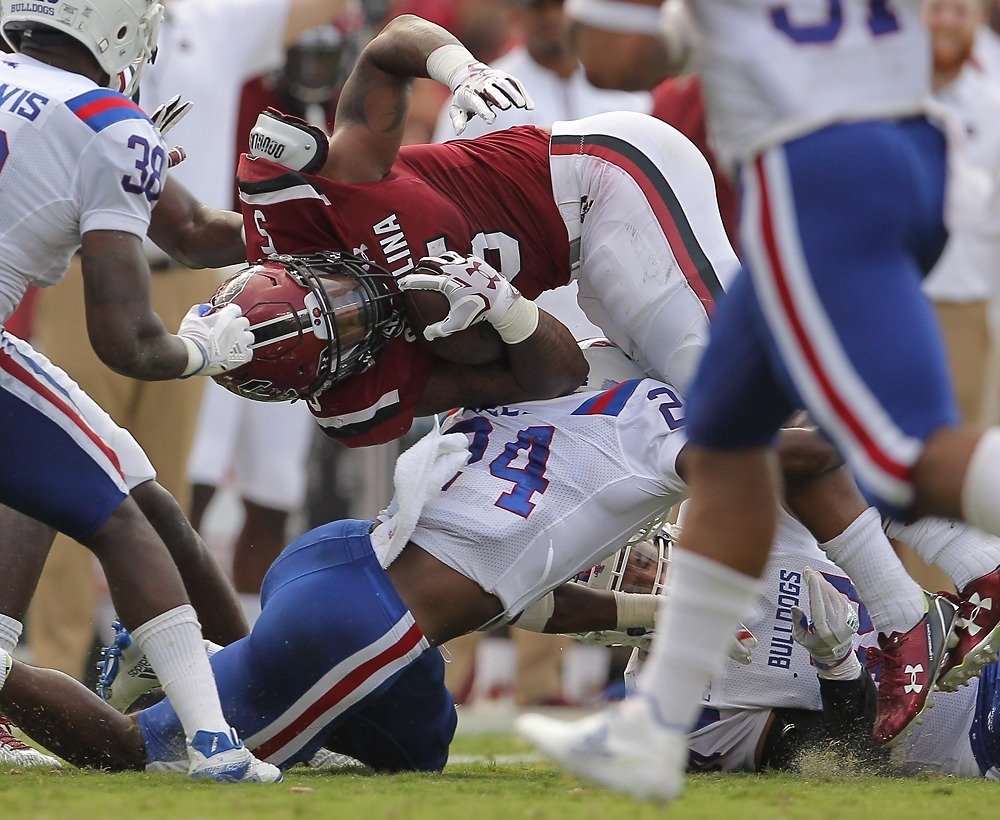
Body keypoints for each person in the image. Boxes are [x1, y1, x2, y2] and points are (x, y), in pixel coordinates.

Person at [516, 0, 1000, 803]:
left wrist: (660, 33)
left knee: (896, 452)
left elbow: (610, 62)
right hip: (881, 154)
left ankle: (976, 571)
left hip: (823, 173)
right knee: (726, 439)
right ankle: (653, 728)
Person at [0, 341, 693, 774]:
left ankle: (205, 659)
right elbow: (767, 455)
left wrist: (662, 615)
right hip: (366, 625)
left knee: (422, 748)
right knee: (140, 752)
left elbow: (502, 582)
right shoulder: (654, 428)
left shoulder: (535, 391)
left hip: (340, 553)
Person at [23, 0, 358, 679]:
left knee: (159, 493)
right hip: (81, 266)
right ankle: (55, 671)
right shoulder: (59, 40)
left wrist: (298, 224)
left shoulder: (206, 22)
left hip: (180, 275)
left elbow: (321, 7)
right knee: (50, 482)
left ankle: (153, 675)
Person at [0, 0, 285, 782]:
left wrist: (295, 224)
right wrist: (207, 349)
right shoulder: (107, 123)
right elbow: (126, 340)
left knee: (109, 470)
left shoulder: (97, 123)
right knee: (120, 512)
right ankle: (216, 746)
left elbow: (190, 229)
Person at [233, 12, 739, 449]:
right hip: (578, 275)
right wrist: (508, 311)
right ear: (330, 376)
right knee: (640, 427)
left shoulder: (341, 187)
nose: (355, 308)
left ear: (304, 268)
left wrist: (460, 69)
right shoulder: (363, 395)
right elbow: (558, 378)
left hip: (603, 180)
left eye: (329, 298)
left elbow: (394, 41)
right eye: (343, 333)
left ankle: (815, 548)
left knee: (725, 395)